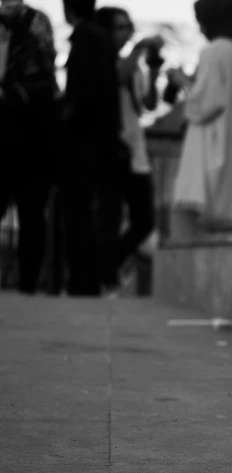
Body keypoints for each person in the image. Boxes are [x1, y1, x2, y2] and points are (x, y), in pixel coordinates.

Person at [167, 0, 232, 241]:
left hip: (210, 145)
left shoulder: (213, 51)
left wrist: (181, 82)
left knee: (188, 218)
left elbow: (206, 103)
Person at [95, 6, 162, 288]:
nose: (123, 33)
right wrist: (137, 49)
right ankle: (106, 272)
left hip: (137, 153)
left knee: (144, 220)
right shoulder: (104, 61)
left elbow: (147, 103)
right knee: (109, 219)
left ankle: (107, 267)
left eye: (126, 27)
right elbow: (117, 77)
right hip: (114, 152)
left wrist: (154, 68)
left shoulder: (132, 65)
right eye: (117, 28)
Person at [60, 0, 122, 296]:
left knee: (79, 213)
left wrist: (68, 114)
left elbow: (88, 93)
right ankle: (88, 279)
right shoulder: (100, 41)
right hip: (99, 143)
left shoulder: (87, 40)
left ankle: (82, 281)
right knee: (91, 214)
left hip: (86, 144)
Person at [0, 0, 59, 294]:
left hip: (32, 135)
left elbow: (43, 77)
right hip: (17, 132)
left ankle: (27, 285)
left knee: (32, 214)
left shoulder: (35, 24)